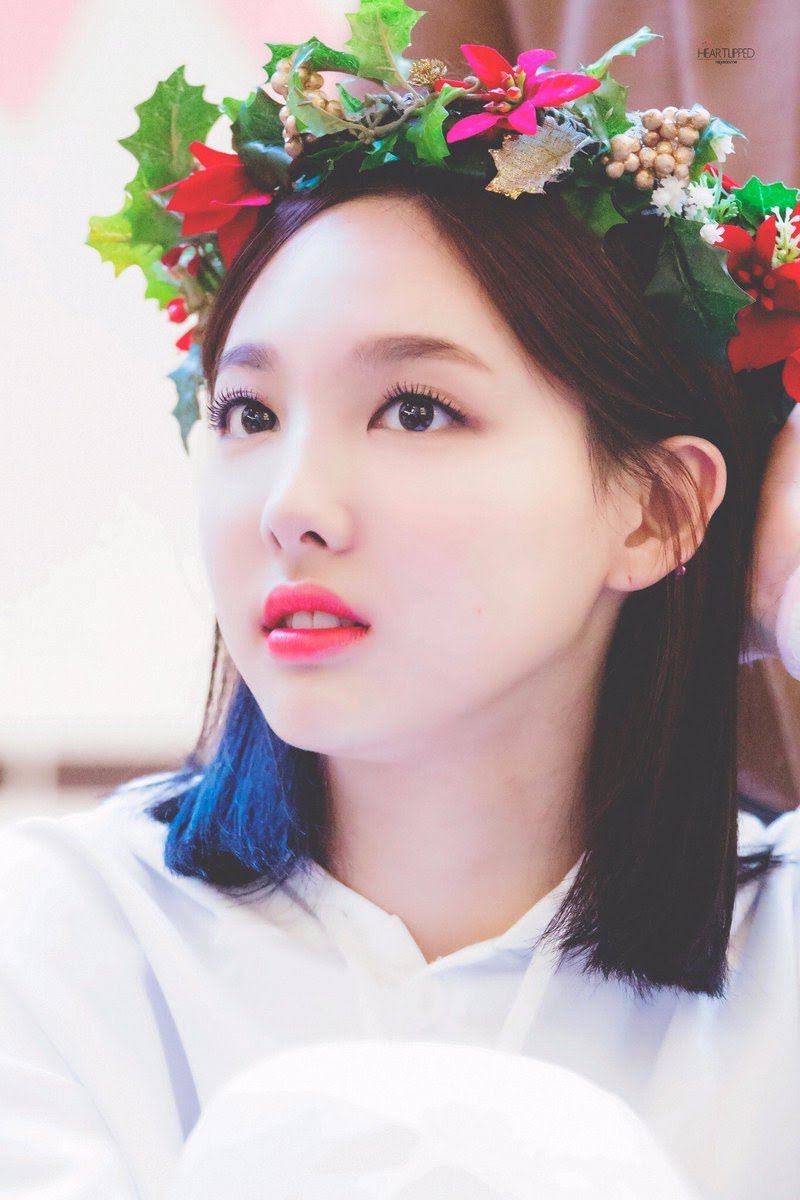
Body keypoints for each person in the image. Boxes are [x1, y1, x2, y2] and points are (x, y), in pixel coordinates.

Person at [5, 9, 800, 1198]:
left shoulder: (778, 966)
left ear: (653, 511)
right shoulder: (57, 943)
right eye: (249, 414)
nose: (292, 506)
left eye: (414, 410)